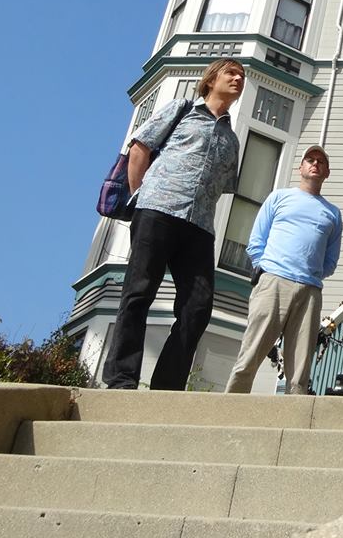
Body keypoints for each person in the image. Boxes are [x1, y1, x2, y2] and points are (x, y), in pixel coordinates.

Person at [102, 58, 245, 390]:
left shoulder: (233, 141)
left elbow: (222, 187)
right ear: (211, 79)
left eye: (242, 76)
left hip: (199, 228)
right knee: (138, 293)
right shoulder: (181, 109)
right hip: (156, 211)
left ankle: (167, 386)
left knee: (198, 307)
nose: (238, 78)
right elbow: (140, 149)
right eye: (231, 73)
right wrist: (139, 197)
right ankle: (121, 379)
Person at [224, 145, 343, 395]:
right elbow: (256, 242)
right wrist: (266, 270)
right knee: (250, 355)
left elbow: (331, 260)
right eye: (310, 159)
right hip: (273, 282)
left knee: (299, 371)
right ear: (300, 168)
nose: (315, 164)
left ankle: (294, 425)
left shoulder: (332, 213)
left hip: (309, 291)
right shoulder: (279, 197)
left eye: (321, 162)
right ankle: (229, 412)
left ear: (327, 172)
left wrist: (309, 275)